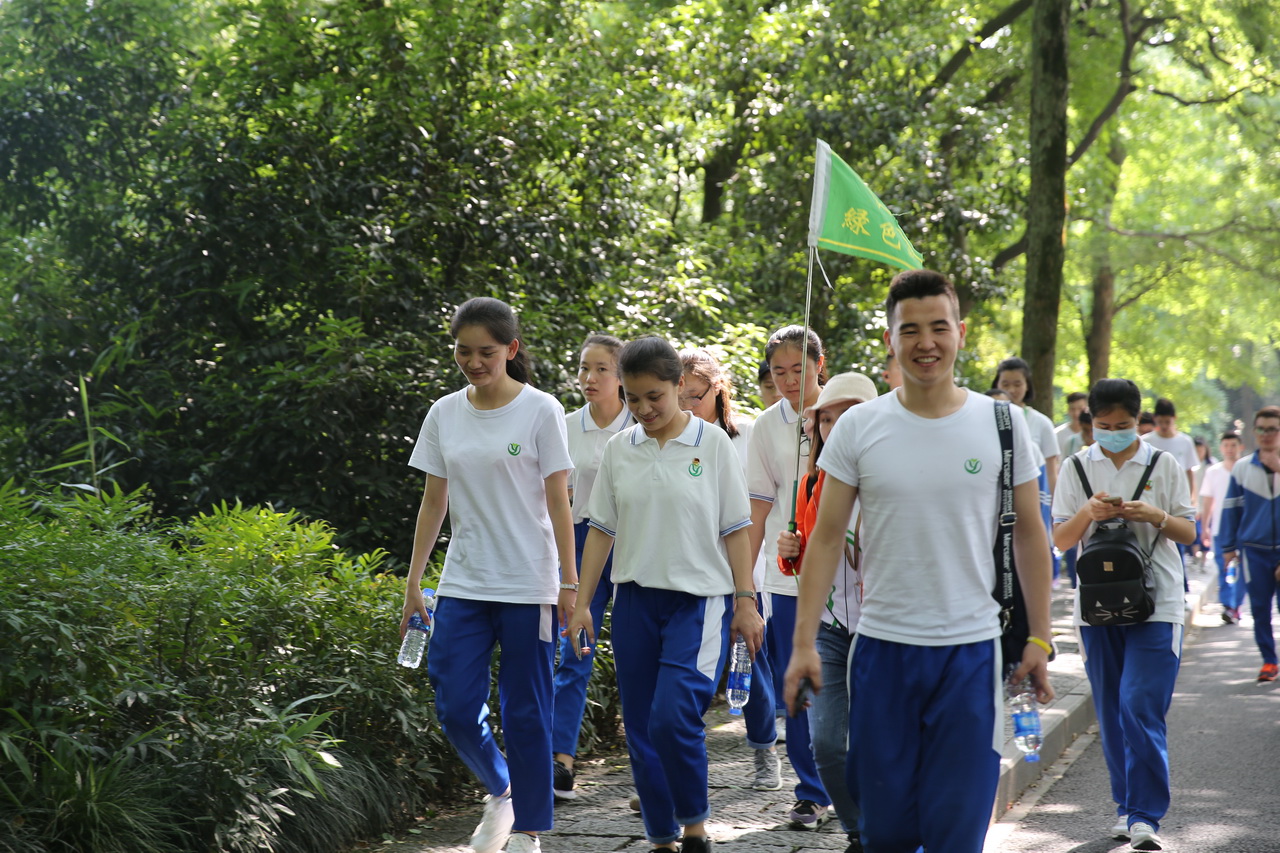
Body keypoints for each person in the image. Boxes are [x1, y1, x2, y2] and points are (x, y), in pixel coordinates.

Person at [785, 269, 1054, 853]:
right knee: (887, 831)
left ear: (960, 332)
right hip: (882, 652)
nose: (926, 343)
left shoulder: (1004, 425)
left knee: (957, 828)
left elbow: (1031, 534)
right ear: (890, 339)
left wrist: (1040, 636)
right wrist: (804, 643)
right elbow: (825, 539)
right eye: (910, 330)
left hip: (971, 653)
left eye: (939, 327)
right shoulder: (860, 426)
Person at [565, 336, 765, 853]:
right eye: (633, 398)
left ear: (679, 386)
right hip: (634, 602)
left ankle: (694, 828)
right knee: (640, 725)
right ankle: (660, 837)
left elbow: (736, 529)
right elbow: (600, 531)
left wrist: (745, 601)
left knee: (671, 716)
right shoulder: (619, 449)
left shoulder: (712, 444)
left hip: (697, 604)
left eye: (654, 396)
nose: (644, 409)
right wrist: (582, 603)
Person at [401, 297, 578, 853]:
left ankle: (528, 829)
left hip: (529, 584)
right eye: (463, 351)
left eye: (486, 352)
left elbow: (560, 502)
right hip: (464, 583)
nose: (474, 362)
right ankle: (502, 790)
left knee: (527, 712)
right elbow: (434, 502)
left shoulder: (541, 410)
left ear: (511, 349)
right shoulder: (444, 413)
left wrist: (569, 583)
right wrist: (413, 582)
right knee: (455, 705)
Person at [1052, 378, 1196, 852]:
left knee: (1138, 702)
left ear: (1139, 421)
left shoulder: (1163, 463)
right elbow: (1061, 540)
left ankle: (1145, 815)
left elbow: (1188, 532)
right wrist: (1089, 513)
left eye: (1123, 425)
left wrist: (1154, 516)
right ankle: (1125, 808)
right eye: (1104, 426)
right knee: (1113, 710)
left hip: (1159, 601)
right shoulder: (1076, 466)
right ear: (1089, 423)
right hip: (1096, 605)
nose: (1113, 434)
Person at [776, 372, 878, 853]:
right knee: (827, 744)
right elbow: (805, 560)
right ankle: (858, 829)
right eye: (826, 420)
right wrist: (790, 550)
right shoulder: (811, 483)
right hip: (829, 627)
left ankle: (880, 831)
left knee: (876, 741)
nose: (835, 428)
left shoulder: (890, 483)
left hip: (881, 629)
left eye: (848, 417)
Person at [679, 347, 781, 792]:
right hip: (690, 575)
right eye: (679, 397)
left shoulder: (749, 436)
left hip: (744, 574)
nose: (687, 406)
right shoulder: (671, 440)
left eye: (695, 396)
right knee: (689, 675)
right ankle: (678, 770)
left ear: (717, 389)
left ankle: (764, 751)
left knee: (749, 667)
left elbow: (762, 505)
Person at [747, 325, 833, 830]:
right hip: (787, 577)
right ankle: (811, 792)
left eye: (799, 369)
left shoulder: (846, 415)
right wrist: (745, 585)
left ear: (821, 365)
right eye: (778, 371)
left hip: (847, 578)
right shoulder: (766, 426)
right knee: (797, 684)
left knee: (845, 684)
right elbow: (758, 508)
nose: (788, 380)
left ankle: (853, 780)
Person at [551, 335, 632, 800]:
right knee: (574, 651)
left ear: (620, 376)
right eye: (584, 367)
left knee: (635, 651)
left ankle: (648, 759)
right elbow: (554, 499)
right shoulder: (564, 427)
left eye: (601, 368)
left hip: (633, 544)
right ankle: (561, 760)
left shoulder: (640, 424)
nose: (589, 377)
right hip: (581, 545)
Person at [1217, 406, 1280, 683]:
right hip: (1254, 551)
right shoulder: (1243, 468)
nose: (1266, 434)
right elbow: (1231, 510)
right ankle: (1269, 661)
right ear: (1254, 432)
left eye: (1273, 429)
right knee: (1260, 609)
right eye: (1261, 429)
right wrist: (1228, 548)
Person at [993, 357, 1061, 578]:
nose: (1012, 390)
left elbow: (1051, 470)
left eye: (1017, 384)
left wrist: (1057, 509)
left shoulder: (1041, 423)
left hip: (1033, 499)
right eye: (1005, 384)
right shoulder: (985, 417)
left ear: (1028, 386)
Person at [1142, 398, 1199, 568]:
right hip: (1153, 496)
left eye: (1167, 422)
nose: (1164, 425)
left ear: (1174, 419)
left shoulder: (1185, 442)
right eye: (1160, 422)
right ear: (1155, 419)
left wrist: (1192, 498)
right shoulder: (1146, 442)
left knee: (1178, 541)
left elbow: (1189, 472)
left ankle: (1180, 576)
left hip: (1178, 498)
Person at [1199, 432, 1245, 623]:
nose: (1229, 449)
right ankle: (1228, 605)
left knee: (1243, 571)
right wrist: (1205, 527)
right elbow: (1208, 502)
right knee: (1223, 569)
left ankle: (1236, 605)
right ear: (1221, 448)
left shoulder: (1247, 469)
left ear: (1240, 447)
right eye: (1226, 445)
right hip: (1220, 530)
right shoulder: (1213, 472)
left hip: (1245, 530)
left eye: (1233, 445)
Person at [1056, 391, 1089, 457]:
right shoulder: (1058, 435)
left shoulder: (1093, 434)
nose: (1076, 413)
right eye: (1072, 409)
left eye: (1080, 409)